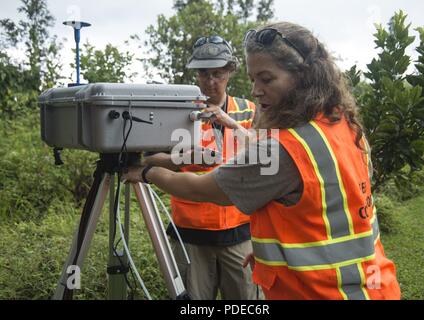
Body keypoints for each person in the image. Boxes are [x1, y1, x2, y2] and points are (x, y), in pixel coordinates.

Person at [126, 22, 401, 300]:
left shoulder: (278, 141)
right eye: (254, 79)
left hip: (314, 288)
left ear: (303, 77)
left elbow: (206, 186)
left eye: (267, 79)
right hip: (373, 286)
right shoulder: (345, 124)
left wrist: (145, 173)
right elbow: (320, 208)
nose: (257, 90)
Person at [141, 35, 259, 300]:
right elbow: (149, 158)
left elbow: (267, 156)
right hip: (191, 236)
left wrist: (231, 123)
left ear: (230, 71)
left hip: (240, 234)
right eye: (204, 74)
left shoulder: (248, 110)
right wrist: (182, 158)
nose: (211, 82)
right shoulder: (177, 113)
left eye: (218, 73)